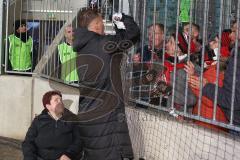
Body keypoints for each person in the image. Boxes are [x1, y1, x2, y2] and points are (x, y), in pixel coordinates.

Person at [72, 8, 140, 160]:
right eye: (101, 22)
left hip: (88, 116)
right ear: (96, 25)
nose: (103, 25)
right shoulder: (104, 44)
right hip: (107, 121)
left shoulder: (81, 48)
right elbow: (132, 34)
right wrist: (121, 17)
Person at [22, 91, 82, 160]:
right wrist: (30, 158)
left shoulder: (72, 119)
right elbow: (28, 142)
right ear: (48, 106)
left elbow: (79, 140)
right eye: (56, 100)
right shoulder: (38, 121)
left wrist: (68, 154)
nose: (60, 102)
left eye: (61, 100)